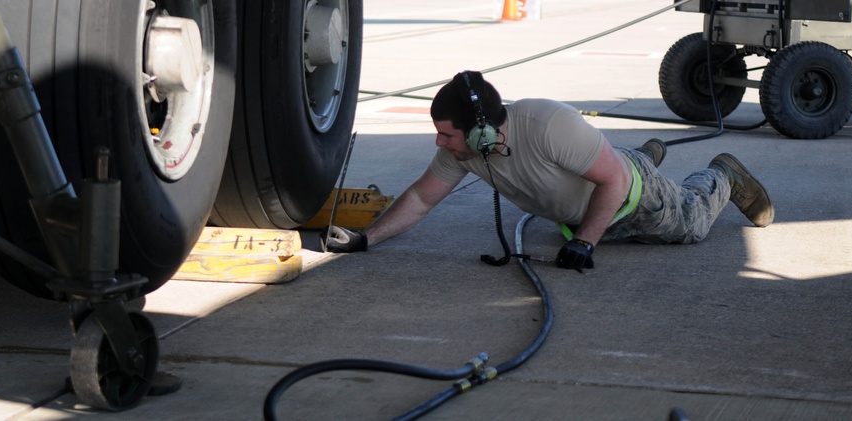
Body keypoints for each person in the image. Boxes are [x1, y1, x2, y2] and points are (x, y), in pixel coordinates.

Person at [322, 70, 774, 272]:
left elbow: (612, 182)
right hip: (585, 193)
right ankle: (641, 153)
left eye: (447, 134)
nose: (440, 143)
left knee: (691, 223)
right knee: (601, 163)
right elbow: (421, 198)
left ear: (481, 133)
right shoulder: (464, 151)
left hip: (628, 196)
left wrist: (584, 242)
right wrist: (366, 239)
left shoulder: (548, 124)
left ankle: (722, 175)